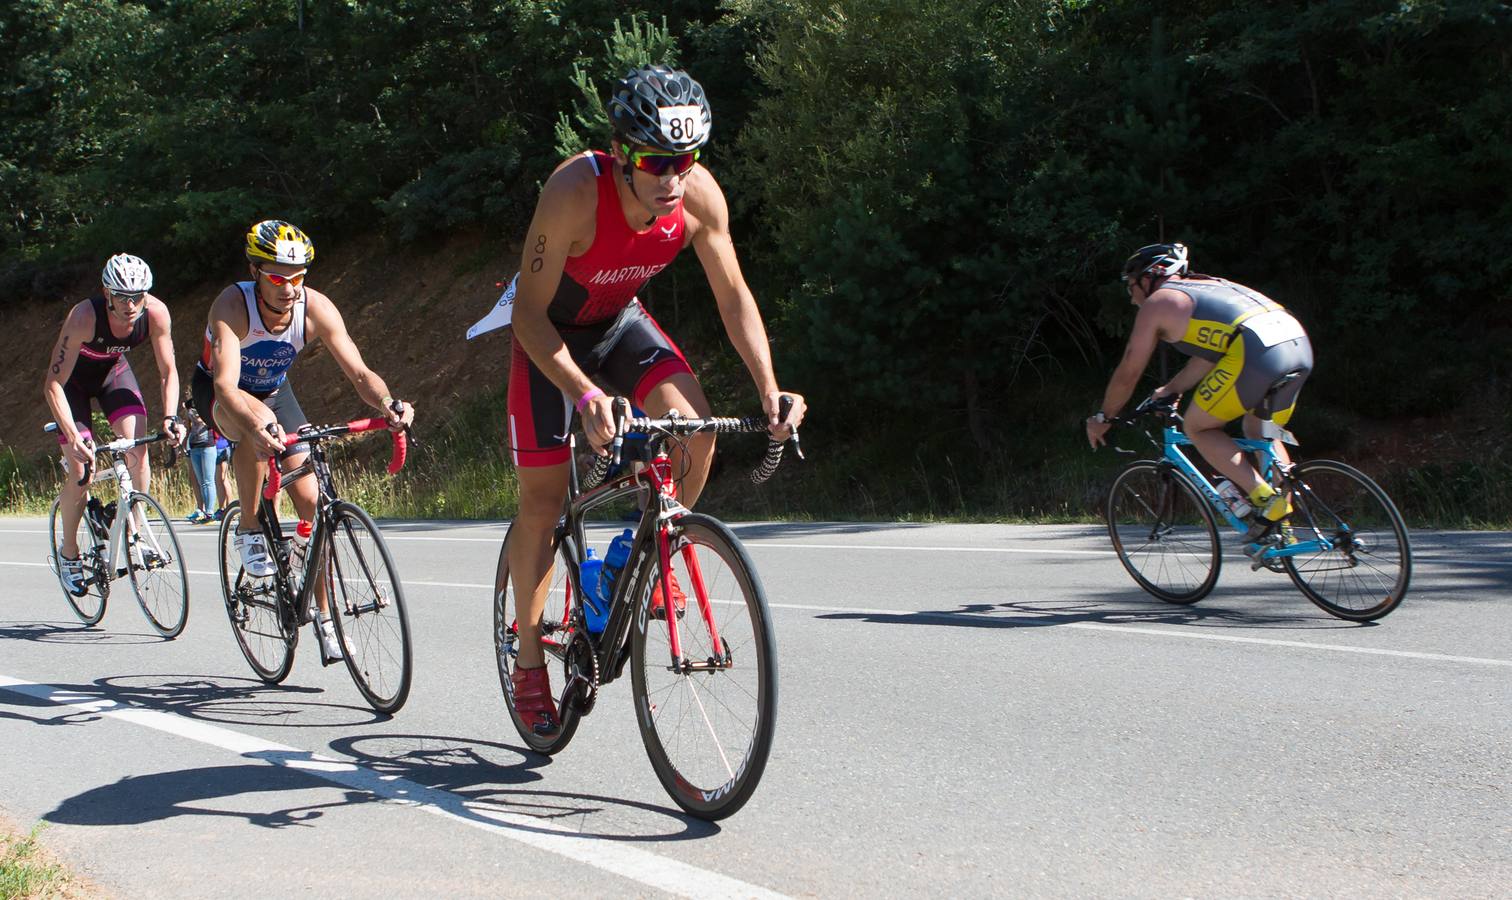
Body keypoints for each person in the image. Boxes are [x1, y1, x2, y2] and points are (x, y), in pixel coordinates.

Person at [480, 65, 807, 736]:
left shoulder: (697, 197)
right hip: (551, 342)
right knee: (542, 503)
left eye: (684, 160)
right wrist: (584, 392)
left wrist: (770, 388)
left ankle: (633, 556)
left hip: (618, 323)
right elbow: (529, 318)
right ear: (623, 152)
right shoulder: (573, 192)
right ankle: (531, 667)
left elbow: (734, 295)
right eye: (657, 161)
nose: (672, 177)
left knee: (696, 431)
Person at [193, 219, 414, 661]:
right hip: (222, 392)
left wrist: (388, 403)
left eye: (298, 278)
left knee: (314, 503)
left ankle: (326, 619)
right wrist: (257, 423)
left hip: (277, 393)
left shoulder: (316, 308)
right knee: (254, 428)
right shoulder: (233, 306)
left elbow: (359, 373)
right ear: (255, 271)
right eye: (278, 277)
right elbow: (227, 386)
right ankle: (250, 527)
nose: (290, 288)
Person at [1085, 242, 1313, 545]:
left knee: (1197, 427)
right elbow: (1213, 352)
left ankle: (1266, 499)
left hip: (1256, 351)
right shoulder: (1212, 285)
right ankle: (1282, 523)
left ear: (1150, 277)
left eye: (1131, 285)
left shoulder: (1159, 302)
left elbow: (1129, 370)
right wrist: (1172, 388)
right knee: (1261, 432)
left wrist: (1105, 416)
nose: (1131, 296)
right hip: (1295, 341)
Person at [42, 253, 186, 594]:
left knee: (137, 449)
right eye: (122, 296)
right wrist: (74, 435)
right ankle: (69, 554)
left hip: (113, 375)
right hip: (72, 387)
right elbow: (52, 384)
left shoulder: (156, 313)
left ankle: (137, 531)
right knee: (81, 470)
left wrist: (170, 416)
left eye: (139, 296)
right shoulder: (83, 317)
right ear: (107, 293)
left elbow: (168, 372)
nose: (131, 304)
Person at [182, 396, 218, 524]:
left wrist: (199, 414)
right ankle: (202, 510)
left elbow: (206, 421)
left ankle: (209, 512)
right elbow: (188, 424)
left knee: (208, 480)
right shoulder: (189, 404)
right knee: (200, 480)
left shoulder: (207, 404)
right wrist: (185, 440)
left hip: (208, 444)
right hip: (194, 445)